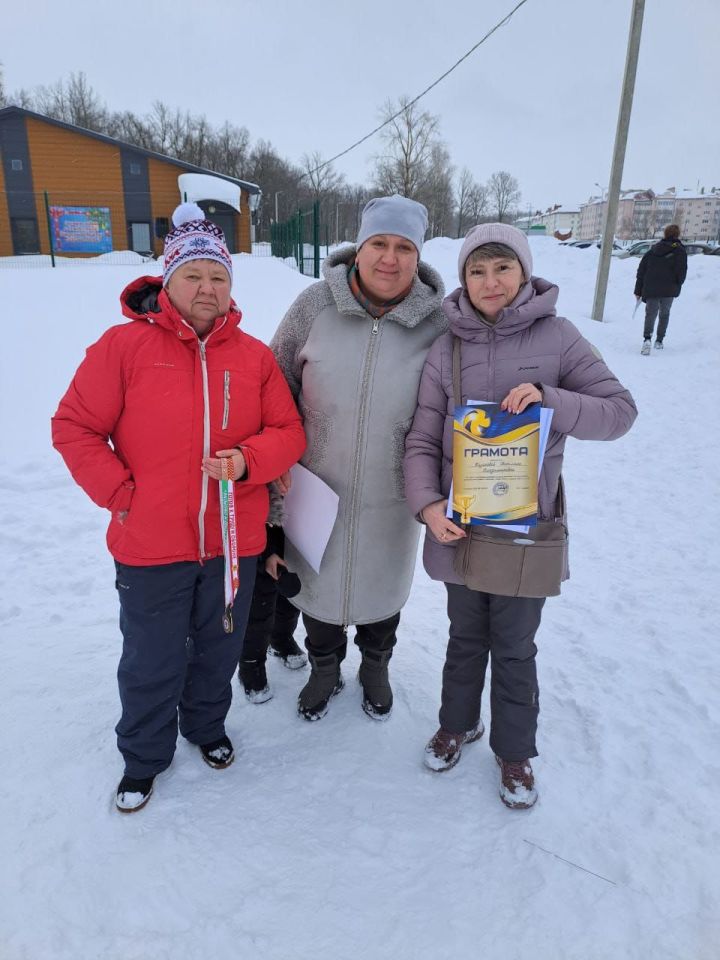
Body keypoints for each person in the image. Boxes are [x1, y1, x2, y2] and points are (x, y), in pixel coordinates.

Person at [51, 203, 305, 812]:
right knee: (151, 657)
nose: (207, 288)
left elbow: (289, 432)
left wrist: (247, 459)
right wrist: (122, 496)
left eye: (218, 277)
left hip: (232, 543)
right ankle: (143, 757)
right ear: (168, 280)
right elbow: (74, 427)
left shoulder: (252, 357)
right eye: (193, 275)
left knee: (218, 645)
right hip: (150, 544)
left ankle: (206, 726)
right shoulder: (123, 347)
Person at [404, 223, 637, 809]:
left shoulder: (558, 339)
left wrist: (550, 399)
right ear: (462, 277)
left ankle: (515, 753)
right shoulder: (445, 345)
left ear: (524, 273)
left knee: (514, 646)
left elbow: (619, 412)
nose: (489, 282)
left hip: (526, 531)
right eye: (476, 271)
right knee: (464, 639)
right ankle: (456, 725)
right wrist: (427, 503)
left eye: (502, 268)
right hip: (462, 526)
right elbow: (422, 439)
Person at [270, 195, 447, 721]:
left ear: (418, 256)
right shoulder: (313, 306)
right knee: (318, 591)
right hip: (314, 485)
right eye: (378, 244)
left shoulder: (438, 322)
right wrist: (277, 455)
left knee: (383, 588)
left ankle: (376, 667)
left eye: (403, 247)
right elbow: (274, 380)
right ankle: (325, 669)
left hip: (394, 491)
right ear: (358, 247)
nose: (389, 259)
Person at [238, 489, 307, 703]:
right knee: (259, 603)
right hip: (256, 513)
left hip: (296, 512)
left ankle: (281, 638)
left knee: (289, 597)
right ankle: (251, 662)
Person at [635, 224, 687, 354]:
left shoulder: (653, 249)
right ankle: (659, 341)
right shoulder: (680, 251)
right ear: (677, 234)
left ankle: (647, 339)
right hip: (669, 289)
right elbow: (682, 271)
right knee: (665, 314)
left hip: (651, 288)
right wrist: (678, 283)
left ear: (665, 234)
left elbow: (641, 270)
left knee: (650, 314)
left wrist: (638, 290)